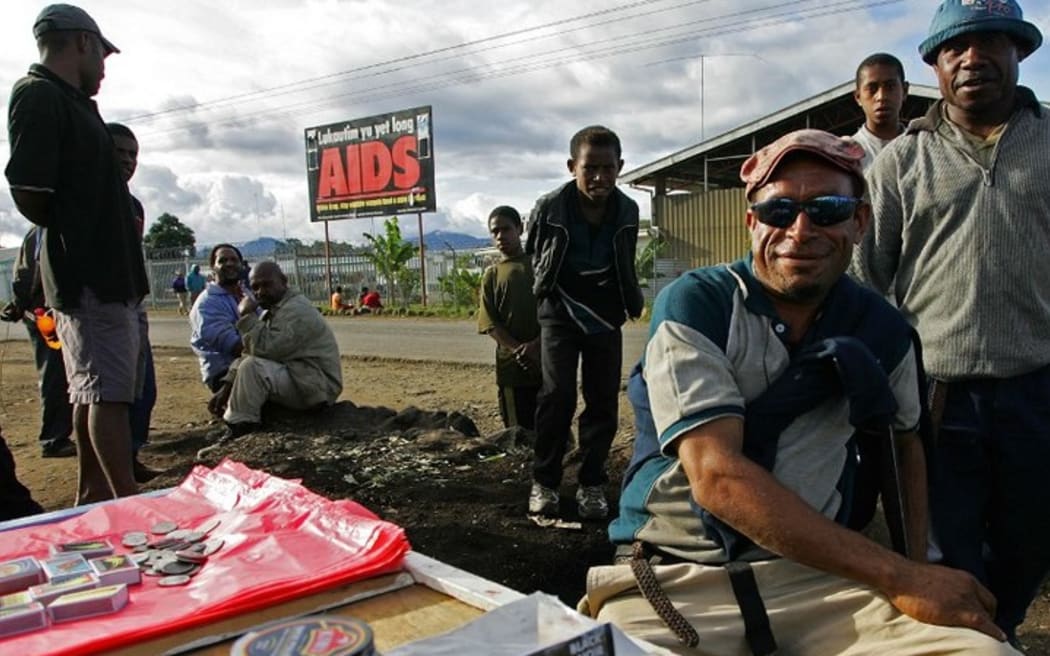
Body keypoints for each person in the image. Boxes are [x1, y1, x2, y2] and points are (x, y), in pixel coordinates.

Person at [580, 129, 1016, 655]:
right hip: (675, 577)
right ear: (751, 223)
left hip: (817, 577)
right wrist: (898, 574)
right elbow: (717, 477)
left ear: (859, 222)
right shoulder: (700, 305)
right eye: (779, 211)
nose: (800, 230)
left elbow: (904, 446)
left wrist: (919, 569)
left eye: (828, 209)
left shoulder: (884, 330)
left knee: (982, 652)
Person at [850, 0, 1047, 644]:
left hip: (1039, 390)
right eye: (955, 47)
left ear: (1018, 51)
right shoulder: (899, 163)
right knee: (942, 548)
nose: (973, 58)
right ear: (934, 64)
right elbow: (867, 279)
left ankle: (1001, 629)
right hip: (936, 400)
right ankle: (973, 643)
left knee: (1029, 539)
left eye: (991, 41)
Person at [5, 4, 149, 503]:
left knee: (96, 390)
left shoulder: (70, 101)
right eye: (103, 54)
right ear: (82, 42)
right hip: (91, 277)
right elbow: (28, 189)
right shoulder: (39, 96)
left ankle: (94, 494)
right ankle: (125, 502)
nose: (105, 67)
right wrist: (79, 235)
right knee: (106, 395)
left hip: (105, 276)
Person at [524, 125, 643, 519]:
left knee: (603, 401)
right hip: (559, 310)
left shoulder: (627, 210)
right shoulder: (550, 207)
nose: (599, 178)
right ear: (572, 166)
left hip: (606, 312)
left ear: (620, 167)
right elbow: (535, 257)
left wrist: (629, 302)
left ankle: (592, 482)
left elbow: (624, 261)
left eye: (608, 168)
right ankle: (545, 482)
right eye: (590, 168)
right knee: (557, 397)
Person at [204, 261, 342, 443]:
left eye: (267, 284)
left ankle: (240, 428)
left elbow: (264, 350)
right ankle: (238, 423)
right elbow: (251, 352)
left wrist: (246, 315)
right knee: (250, 365)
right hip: (302, 376)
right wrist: (227, 386)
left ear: (283, 281)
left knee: (254, 369)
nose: (260, 291)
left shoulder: (296, 310)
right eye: (255, 287)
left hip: (318, 386)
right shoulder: (277, 308)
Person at [108, 121, 161, 484]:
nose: (128, 161)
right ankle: (114, 477)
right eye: (119, 152)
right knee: (109, 395)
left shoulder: (133, 206)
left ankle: (132, 454)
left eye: (133, 154)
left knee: (143, 388)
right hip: (102, 305)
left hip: (131, 304)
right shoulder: (85, 198)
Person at [1, 227, 75, 458]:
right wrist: (20, 302)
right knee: (55, 372)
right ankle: (53, 438)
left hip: (54, 311)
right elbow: (29, 272)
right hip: (44, 315)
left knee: (67, 373)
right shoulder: (45, 227)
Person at [477, 206, 541, 430]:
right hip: (512, 370)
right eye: (495, 231)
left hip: (547, 363)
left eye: (506, 229)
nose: (500, 236)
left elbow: (559, 313)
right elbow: (490, 324)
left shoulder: (541, 266)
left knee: (554, 428)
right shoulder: (491, 275)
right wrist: (519, 350)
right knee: (518, 433)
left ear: (520, 228)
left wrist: (538, 345)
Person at [190, 244, 249, 392]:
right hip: (224, 373)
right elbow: (235, 347)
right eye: (222, 260)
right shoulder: (207, 303)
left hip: (250, 363)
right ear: (213, 266)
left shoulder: (246, 294)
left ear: (241, 265)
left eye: (234, 260)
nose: (229, 263)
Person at [851, 52, 909, 170]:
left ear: (905, 90)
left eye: (890, 87)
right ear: (858, 97)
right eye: (872, 89)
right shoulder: (847, 156)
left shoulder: (924, 148)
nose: (881, 96)